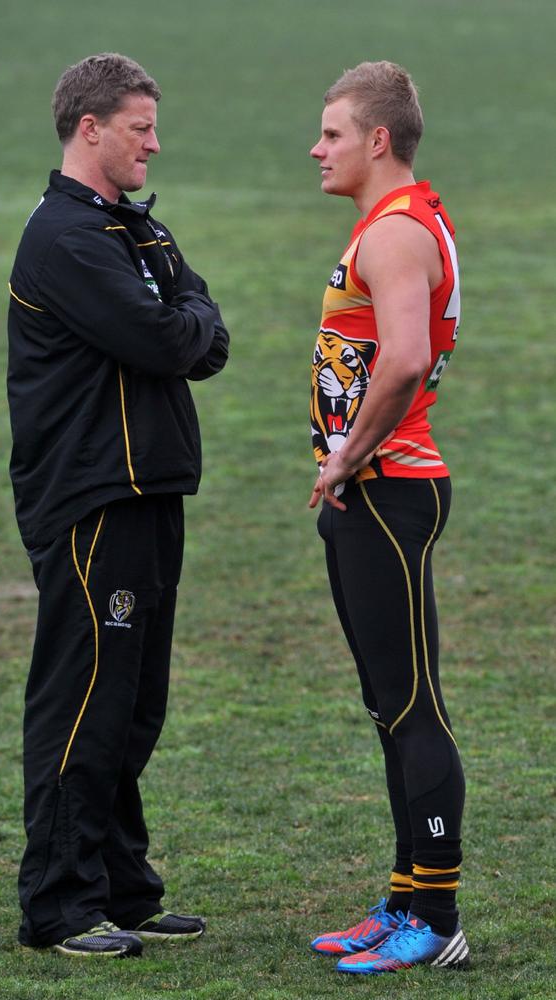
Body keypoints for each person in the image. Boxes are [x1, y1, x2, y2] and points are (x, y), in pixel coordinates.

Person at [7, 53, 229, 958]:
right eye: (141, 126)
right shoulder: (67, 238)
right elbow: (165, 332)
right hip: (93, 499)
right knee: (87, 699)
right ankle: (57, 906)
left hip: (147, 493)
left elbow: (204, 335)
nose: (155, 143)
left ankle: (124, 889)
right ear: (89, 129)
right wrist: (183, 321)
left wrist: (185, 321)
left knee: (134, 704)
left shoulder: (133, 229)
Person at [306, 61, 468, 975]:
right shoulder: (391, 225)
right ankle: (406, 893)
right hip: (374, 491)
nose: (316, 148)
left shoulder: (396, 233)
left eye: (331, 133)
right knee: (389, 706)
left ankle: (437, 917)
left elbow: (403, 359)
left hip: (388, 491)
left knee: (413, 709)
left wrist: (349, 453)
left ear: (377, 140)